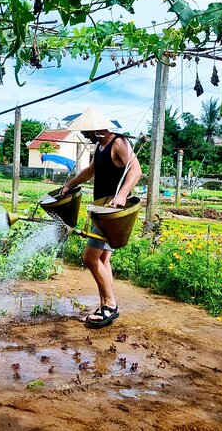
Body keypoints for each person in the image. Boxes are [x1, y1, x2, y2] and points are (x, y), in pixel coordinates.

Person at [60, 106, 142, 328]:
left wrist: (122, 195)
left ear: (97, 129)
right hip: (101, 210)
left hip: (112, 212)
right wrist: (70, 184)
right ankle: (105, 304)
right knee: (103, 259)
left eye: (87, 131)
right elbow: (90, 171)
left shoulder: (119, 142)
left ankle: (110, 305)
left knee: (90, 257)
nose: (85, 135)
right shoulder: (100, 146)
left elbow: (136, 170)